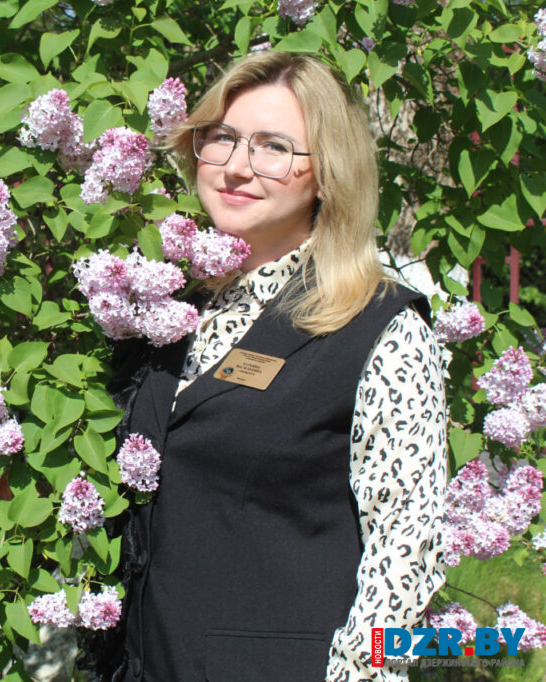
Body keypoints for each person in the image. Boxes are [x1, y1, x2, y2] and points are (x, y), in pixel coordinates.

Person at [106, 51, 447, 681]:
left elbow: (407, 546)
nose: (237, 166)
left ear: (328, 174)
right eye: (223, 137)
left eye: (274, 147)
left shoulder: (380, 326)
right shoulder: (167, 306)